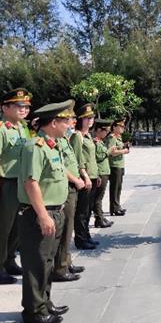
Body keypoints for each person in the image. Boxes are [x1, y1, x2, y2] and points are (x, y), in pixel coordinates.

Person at [17, 100, 74, 323]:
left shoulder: (52, 145)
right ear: (53, 123)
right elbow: (31, 183)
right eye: (65, 121)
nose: (69, 125)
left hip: (55, 212)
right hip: (39, 215)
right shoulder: (35, 147)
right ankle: (33, 311)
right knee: (36, 263)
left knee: (47, 262)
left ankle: (44, 302)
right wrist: (42, 215)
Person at [0, 88, 32, 284]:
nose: (24, 110)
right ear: (5, 108)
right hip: (7, 184)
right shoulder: (0, 130)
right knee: (2, 228)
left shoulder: (23, 128)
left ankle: (9, 261)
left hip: (22, 183)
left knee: (18, 227)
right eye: (19, 106)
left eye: (26, 106)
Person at [51, 113, 85, 282]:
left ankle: (66, 261)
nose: (73, 121)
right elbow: (61, 167)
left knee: (68, 228)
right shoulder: (55, 140)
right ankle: (60, 267)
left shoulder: (65, 138)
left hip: (71, 186)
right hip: (67, 186)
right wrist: (76, 180)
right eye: (69, 119)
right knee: (65, 230)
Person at [70, 104, 99, 249]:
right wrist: (85, 176)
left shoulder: (88, 136)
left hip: (92, 176)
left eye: (92, 117)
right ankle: (81, 239)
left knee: (88, 210)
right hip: (84, 177)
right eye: (87, 118)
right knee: (82, 211)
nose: (90, 120)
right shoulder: (77, 136)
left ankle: (87, 235)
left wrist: (96, 175)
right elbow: (77, 159)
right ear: (80, 120)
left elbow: (91, 159)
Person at [92, 119, 114, 228]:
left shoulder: (100, 141)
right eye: (106, 131)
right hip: (100, 172)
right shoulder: (95, 142)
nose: (107, 133)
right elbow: (98, 157)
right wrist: (109, 151)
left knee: (100, 197)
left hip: (104, 171)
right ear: (99, 130)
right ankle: (99, 219)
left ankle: (100, 217)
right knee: (98, 198)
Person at [106, 119, 130, 216]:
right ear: (114, 127)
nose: (122, 128)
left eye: (123, 126)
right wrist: (123, 151)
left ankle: (117, 206)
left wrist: (124, 146)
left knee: (118, 187)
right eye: (120, 126)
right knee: (115, 188)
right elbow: (111, 152)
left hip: (119, 165)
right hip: (114, 165)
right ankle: (114, 208)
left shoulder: (118, 137)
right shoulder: (112, 138)